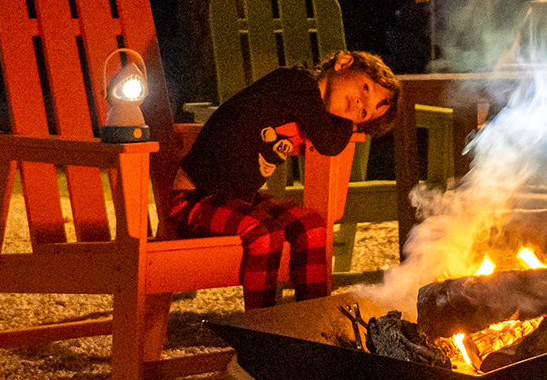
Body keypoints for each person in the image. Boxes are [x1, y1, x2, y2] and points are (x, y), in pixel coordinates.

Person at [169, 50, 400, 311]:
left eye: (365, 113)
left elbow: (328, 138)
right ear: (343, 62)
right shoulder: (295, 84)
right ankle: (264, 328)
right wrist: (352, 125)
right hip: (192, 201)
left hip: (238, 201)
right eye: (365, 88)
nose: (359, 103)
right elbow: (330, 143)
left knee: (312, 227)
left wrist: (349, 123)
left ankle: (312, 323)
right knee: (266, 233)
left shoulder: (312, 114)